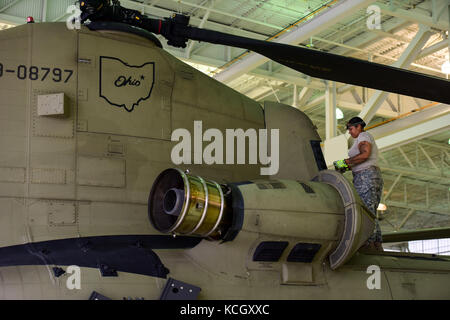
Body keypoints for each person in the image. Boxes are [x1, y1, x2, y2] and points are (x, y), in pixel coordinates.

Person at [334, 117, 384, 251]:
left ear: (358, 127)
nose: (349, 132)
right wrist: (346, 166)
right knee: (369, 210)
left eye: (351, 129)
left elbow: (365, 154)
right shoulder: (362, 138)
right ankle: (376, 244)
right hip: (369, 176)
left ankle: (368, 244)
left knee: (365, 211)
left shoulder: (364, 136)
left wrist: (346, 162)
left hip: (366, 177)